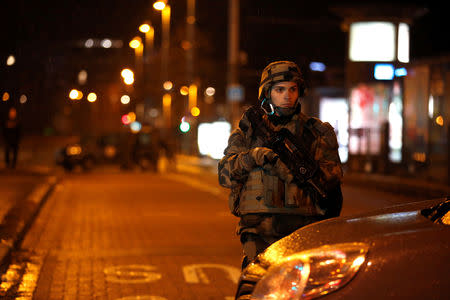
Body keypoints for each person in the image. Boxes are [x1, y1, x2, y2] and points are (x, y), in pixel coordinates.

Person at [218, 61, 343, 269]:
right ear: (267, 93)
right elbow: (224, 174)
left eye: (293, 89)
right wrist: (255, 157)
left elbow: (332, 189)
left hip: (303, 234)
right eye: (280, 89)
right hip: (259, 235)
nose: (287, 96)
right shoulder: (248, 132)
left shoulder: (318, 132)